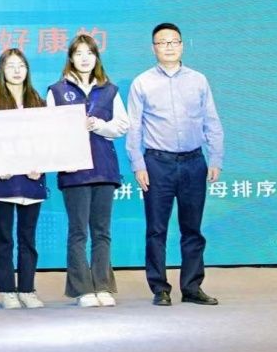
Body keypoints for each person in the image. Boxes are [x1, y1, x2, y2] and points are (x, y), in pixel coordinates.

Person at [126, 22, 224, 307]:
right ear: (153, 48)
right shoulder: (142, 82)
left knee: (192, 229)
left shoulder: (198, 80)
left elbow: (211, 121)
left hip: (194, 161)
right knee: (156, 230)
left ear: (182, 45)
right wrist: (138, 164)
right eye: (162, 42)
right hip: (157, 163)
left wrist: (215, 158)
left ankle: (192, 287)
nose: (168, 47)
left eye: (173, 41)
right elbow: (134, 127)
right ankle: (160, 288)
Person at [46, 35, 130, 308]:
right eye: (79, 53)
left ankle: (103, 286)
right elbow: (50, 130)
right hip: (74, 171)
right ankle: (83, 289)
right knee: (78, 231)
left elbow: (122, 125)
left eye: (89, 53)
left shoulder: (109, 90)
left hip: (104, 169)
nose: (84, 58)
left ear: (96, 57)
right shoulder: (57, 91)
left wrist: (99, 125)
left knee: (102, 231)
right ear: (70, 58)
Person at [0, 49, 48, 310]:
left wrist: (41, 165)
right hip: (2, 181)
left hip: (31, 179)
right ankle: (8, 290)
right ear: (2, 71)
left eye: (21, 65)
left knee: (28, 237)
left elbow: (49, 140)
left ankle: (28, 289)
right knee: (4, 237)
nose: (17, 70)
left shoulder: (39, 102)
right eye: (11, 66)